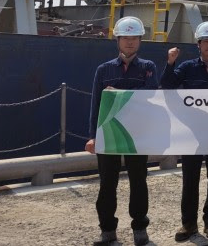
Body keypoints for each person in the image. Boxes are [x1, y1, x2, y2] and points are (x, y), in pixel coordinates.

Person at [161, 21, 208, 242]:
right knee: (190, 179)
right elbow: (167, 86)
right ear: (199, 44)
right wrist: (170, 63)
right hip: (191, 133)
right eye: (206, 41)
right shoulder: (186, 68)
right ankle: (188, 224)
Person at [85, 16, 159, 246]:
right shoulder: (104, 70)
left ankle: (139, 228)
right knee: (107, 183)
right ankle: (107, 230)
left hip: (137, 134)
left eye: (134, 37)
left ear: (140, 40)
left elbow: (151, 95)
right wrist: (93, 136)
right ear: (117, 40)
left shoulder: (148, 68)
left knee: (139, 181)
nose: (130, 42)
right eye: (125, 37)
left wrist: (116, 92)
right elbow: (97, 104)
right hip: (108, 133)